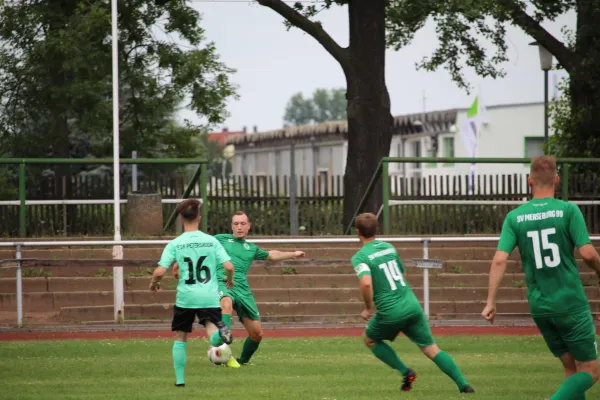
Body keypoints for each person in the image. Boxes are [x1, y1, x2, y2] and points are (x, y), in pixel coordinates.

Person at [482, 155, 600, 400]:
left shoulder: (515, 217)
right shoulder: (568, 210)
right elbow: (588, 253)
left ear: (529, 181)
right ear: (557, 180)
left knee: (571, 370)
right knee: (590, 370)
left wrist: (490, 301)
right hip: (570, 302)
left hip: (540, 305)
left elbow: (500, 260)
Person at [351, 212, 475, 393]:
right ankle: (464, 385)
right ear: (377, 229)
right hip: (412, 305)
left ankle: (405, 371)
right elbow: (402, 273)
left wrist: (368, 308)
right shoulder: (389, 247)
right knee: (431, 349)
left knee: (370, 339)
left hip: (390, 310)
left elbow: (366, 282)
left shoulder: (360, 257)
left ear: (357, 232)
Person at [149, 199, 235, 387]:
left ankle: (180, 381)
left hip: (186, 298)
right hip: (208, 295)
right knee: (212, 330)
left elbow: (160, 271)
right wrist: (230, 279)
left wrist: (154, 283)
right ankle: (219, 335)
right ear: (199, 218)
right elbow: (229, 266)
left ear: (180, 219)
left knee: (181, 337)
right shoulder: (211, 241)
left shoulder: (176, 243)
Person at [213, 210, 305, 367]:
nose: (239, 227)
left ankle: (243, 361)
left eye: (243, 224)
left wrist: (293, 254)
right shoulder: (219, 239)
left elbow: (272, 255)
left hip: (242, 288)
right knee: (226, 303)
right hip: (224, 281)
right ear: (231, 226)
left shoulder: (251, 248)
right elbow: (199, 247)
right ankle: (221, 336)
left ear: (248, 226)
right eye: (236, 224)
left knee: (257, 334)